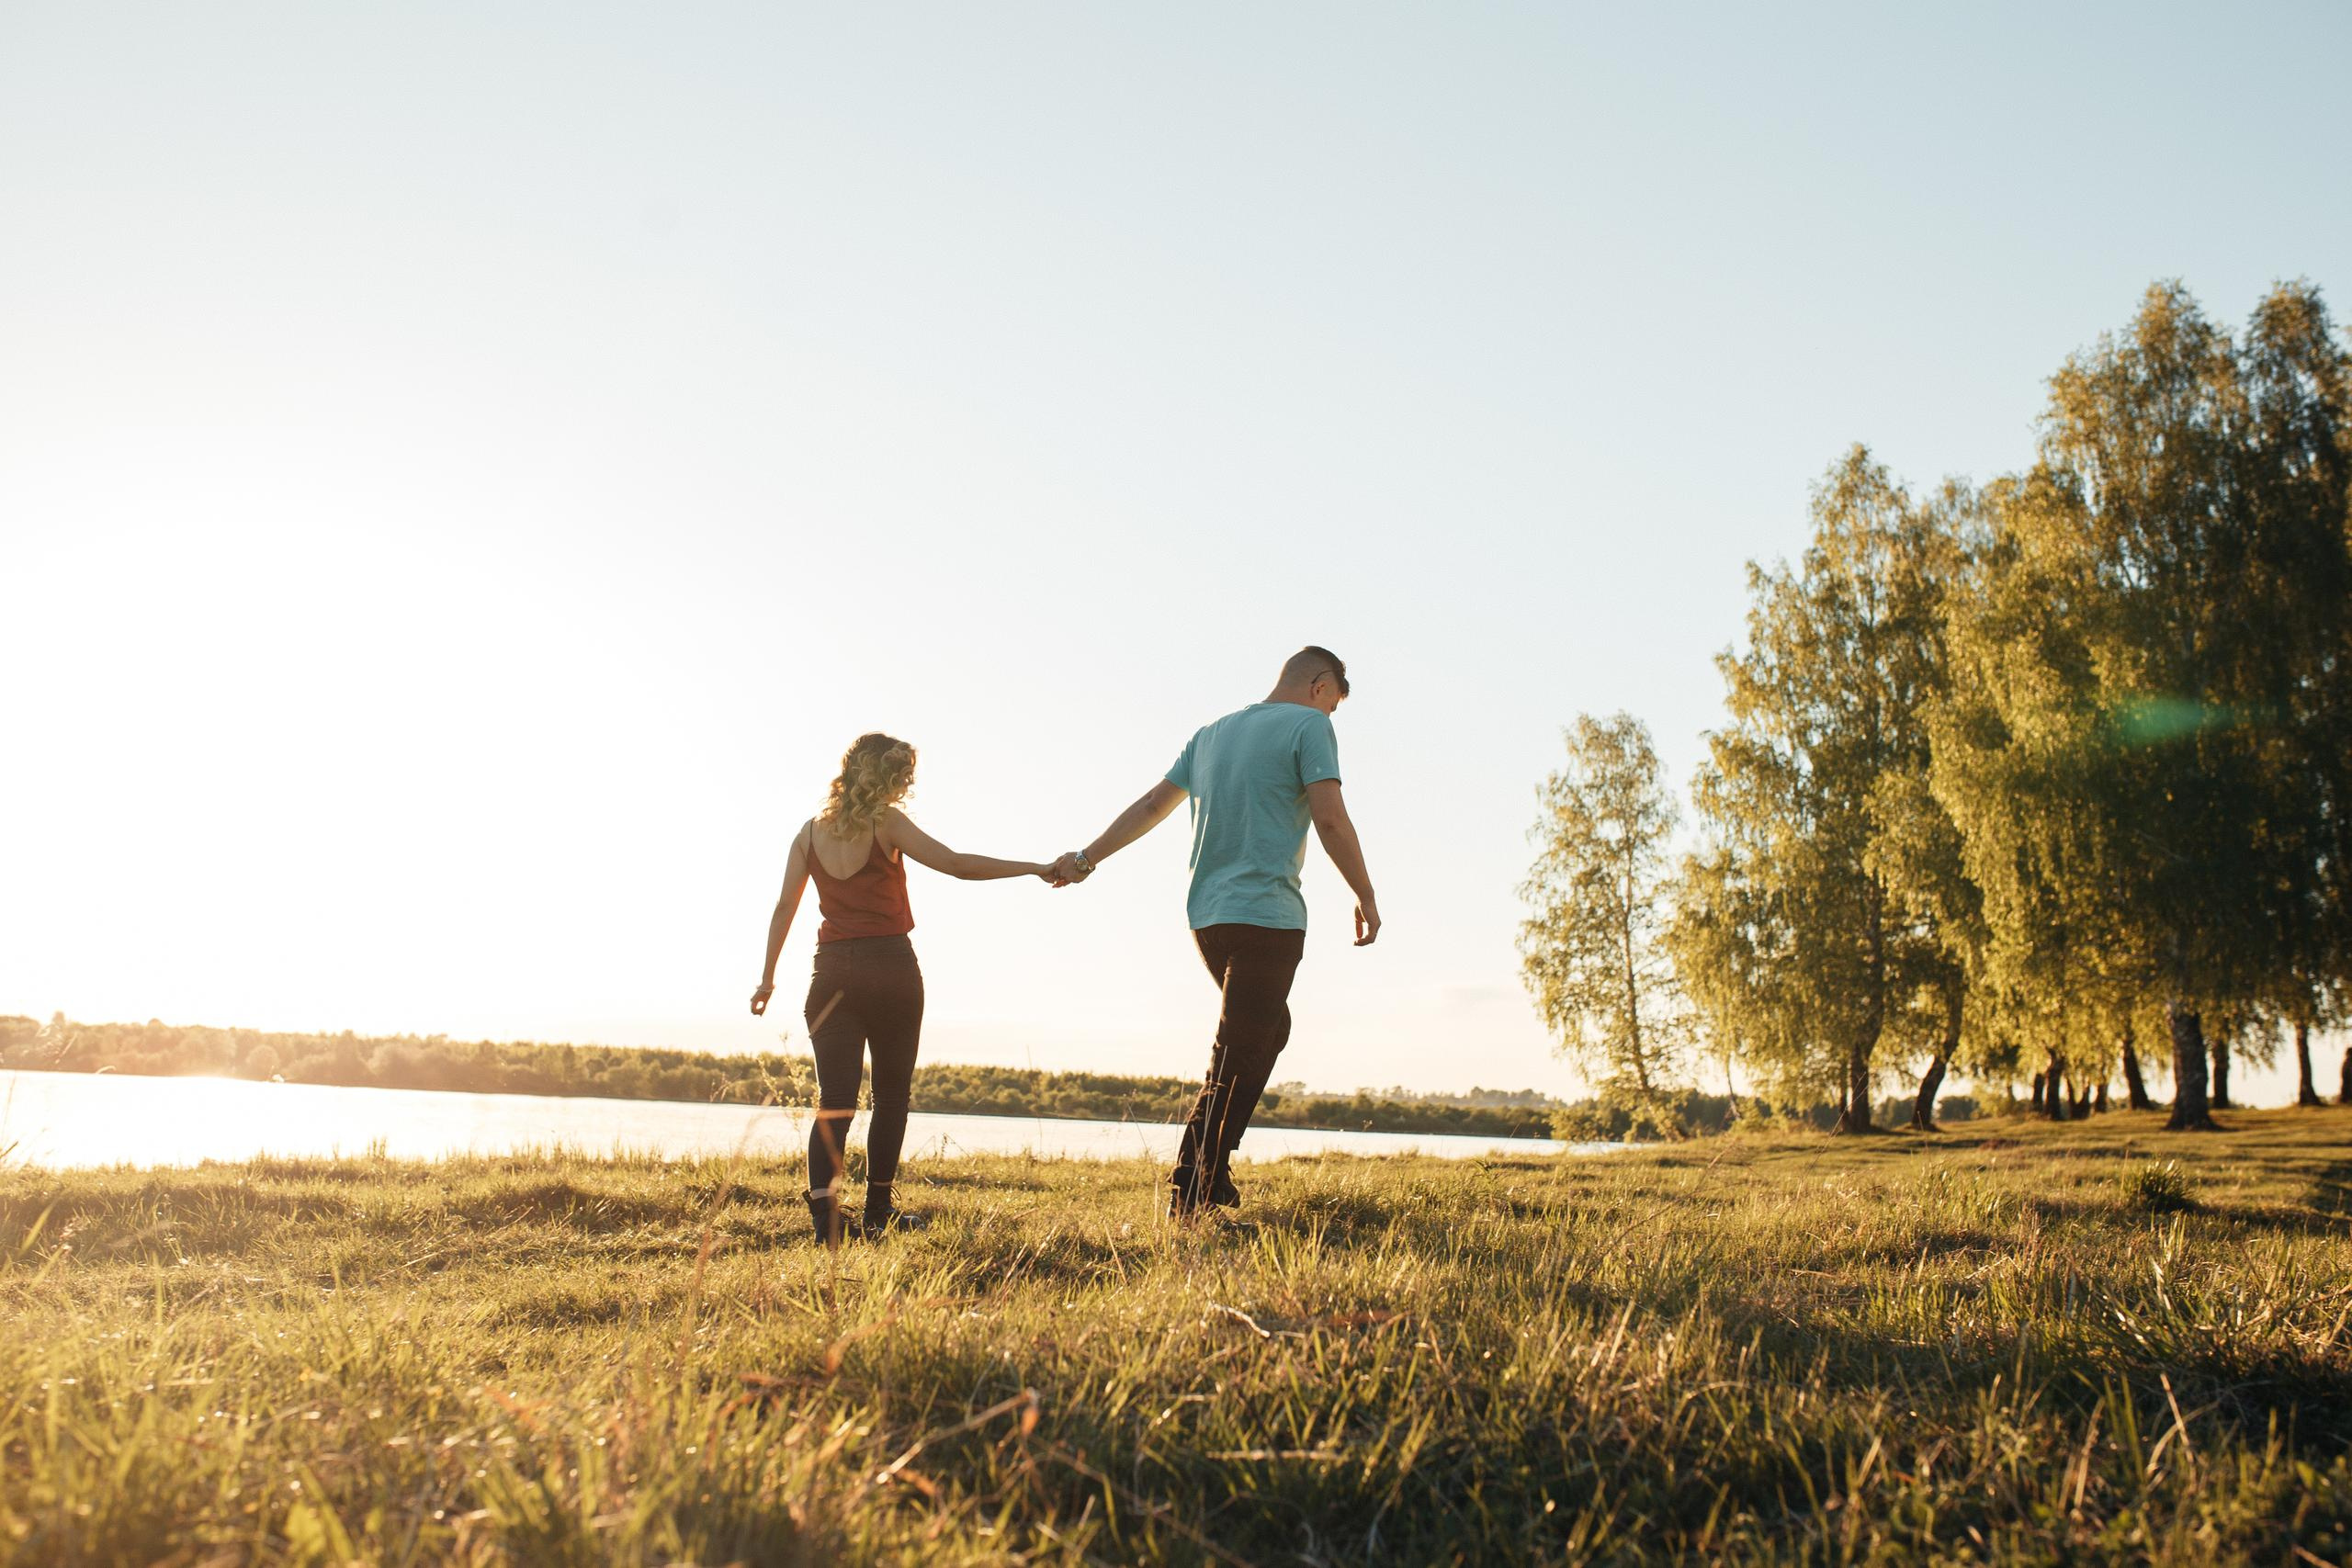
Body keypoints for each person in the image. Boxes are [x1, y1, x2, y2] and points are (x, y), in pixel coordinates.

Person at [1052, 647, 1380, 1219]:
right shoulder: (1310, 726)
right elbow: (1329, 816)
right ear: (1320, 685)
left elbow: (1154, 805)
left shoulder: (1211, 734)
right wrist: (1365, 893)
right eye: (1333, 705)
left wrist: (1087, 857)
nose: (1330, 718)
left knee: (1265, 1029)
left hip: (1208, 917)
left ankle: (1213, 1169)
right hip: (1267, 914)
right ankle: (1192, 1185)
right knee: (1240, 1044)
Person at [752, 732, 1059, 1244]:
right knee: (891, 1096)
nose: (904, 785)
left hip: (829, 975)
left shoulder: (808, 835)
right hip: (891, 968)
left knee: (835, 1100)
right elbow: (958, 865)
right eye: (901, 776)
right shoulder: (886, 823)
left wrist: (767, 977)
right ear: (883, 777)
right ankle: (877, 1210)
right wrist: (1034, 867)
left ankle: (827, 1221)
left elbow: (785, 907)